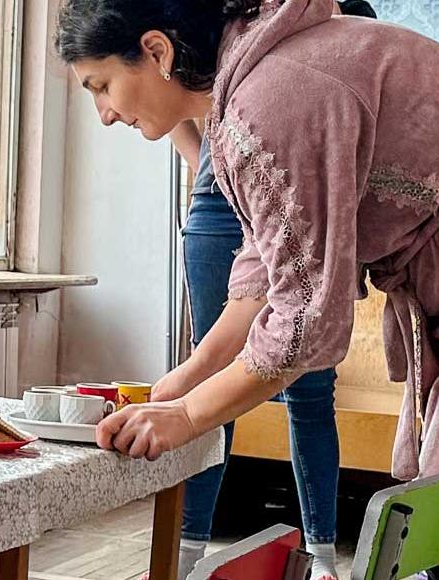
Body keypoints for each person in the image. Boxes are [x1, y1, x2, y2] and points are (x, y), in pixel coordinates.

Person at [56, 0, 439, 574]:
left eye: (101, 85)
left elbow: (304, 318)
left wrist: (187, 416)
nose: (104, 114)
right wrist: (188, 377)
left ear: (157, 52)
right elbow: (266, 269)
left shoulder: (273, 98)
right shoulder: (251, 89)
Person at [161, 3, 378, 578]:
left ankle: (322, 558)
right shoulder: (220, 25)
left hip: (303, 193)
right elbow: (180, 98)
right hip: (220, 208)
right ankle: (184, 556)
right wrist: (215, 169)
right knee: (209, 380)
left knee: (308, 385)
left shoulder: (337, 19)